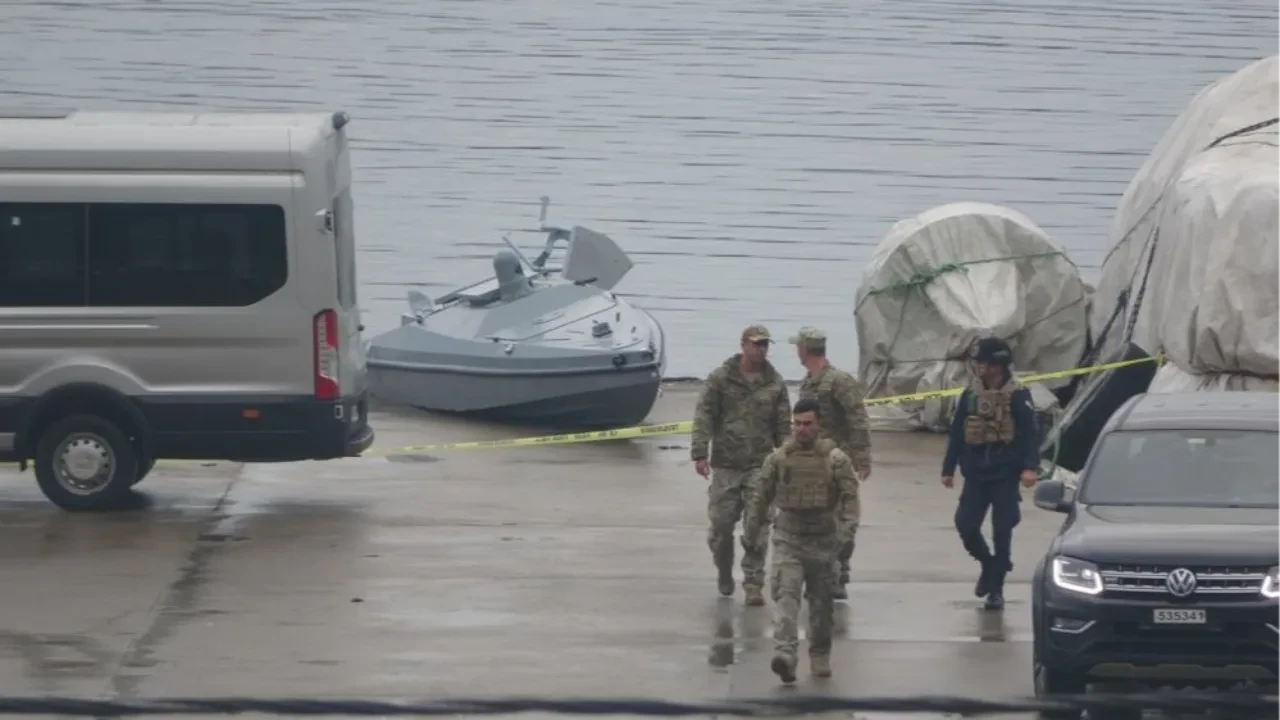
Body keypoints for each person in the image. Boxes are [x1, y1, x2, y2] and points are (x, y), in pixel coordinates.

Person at [742, 397, 860, 683]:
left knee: (821, 607)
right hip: (788, 539)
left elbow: (850, 501)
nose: (801, 429)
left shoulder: (836, 460)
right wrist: (751, 530)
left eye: (807, 424)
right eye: (797, 424)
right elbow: (761, 496)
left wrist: (846, 537)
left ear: (818, 424)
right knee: (785, 598)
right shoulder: (779, 459)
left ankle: (819, 654)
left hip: (823, 542)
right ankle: (786, 655)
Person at [691, 324, 792, 607]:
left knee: (757, 524)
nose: (761, 349)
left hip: (760, 464)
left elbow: (783, 426)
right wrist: (700, 452)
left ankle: (753, 581)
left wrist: (787, 459)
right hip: (726, 464)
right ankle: (724, 569)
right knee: (722, 525)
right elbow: (704, 416)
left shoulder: (775, 383)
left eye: (765, 345)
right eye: (756, 344)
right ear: (743, 345)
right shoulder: (722, 378)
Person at [941, 336, 1040, 611]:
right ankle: (989, 563)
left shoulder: (1018, 393)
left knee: (1003, 528)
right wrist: (948, 468)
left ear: (996, 365)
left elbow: (1031, 434)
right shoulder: (970, 393)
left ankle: (996, 589)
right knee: (965, 524)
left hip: (1005, 473)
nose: (976, 367)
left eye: (981, 362)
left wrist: (1030, 468)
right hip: (976, 474)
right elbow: (958, 431)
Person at [790, 326, 872, 600]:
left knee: (841, 522)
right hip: (811, 465)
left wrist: (861, 458)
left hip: (838, 463)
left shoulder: (839, 381)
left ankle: (839, 575)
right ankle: (820, 574)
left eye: (798, 347)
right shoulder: (807, 383)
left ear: (804, 350)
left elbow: (858, 418)